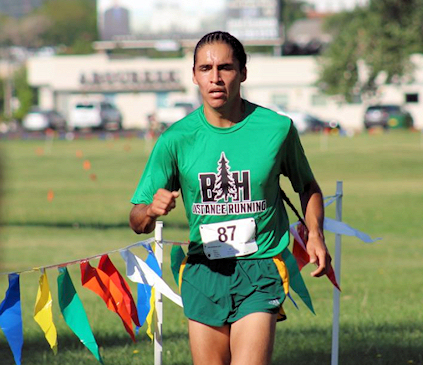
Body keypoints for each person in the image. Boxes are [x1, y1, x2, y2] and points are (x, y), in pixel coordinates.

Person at [129, 31, 331, 365]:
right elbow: (136, 220)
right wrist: (151, 210)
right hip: (203, 271)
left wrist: (316, 235)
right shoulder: (175, 139)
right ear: (194, 76)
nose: (216, 77)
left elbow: (307, 186)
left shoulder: (276, 128)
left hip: (261, 265)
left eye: (225, 67)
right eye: (206, 68)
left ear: (243, 72)